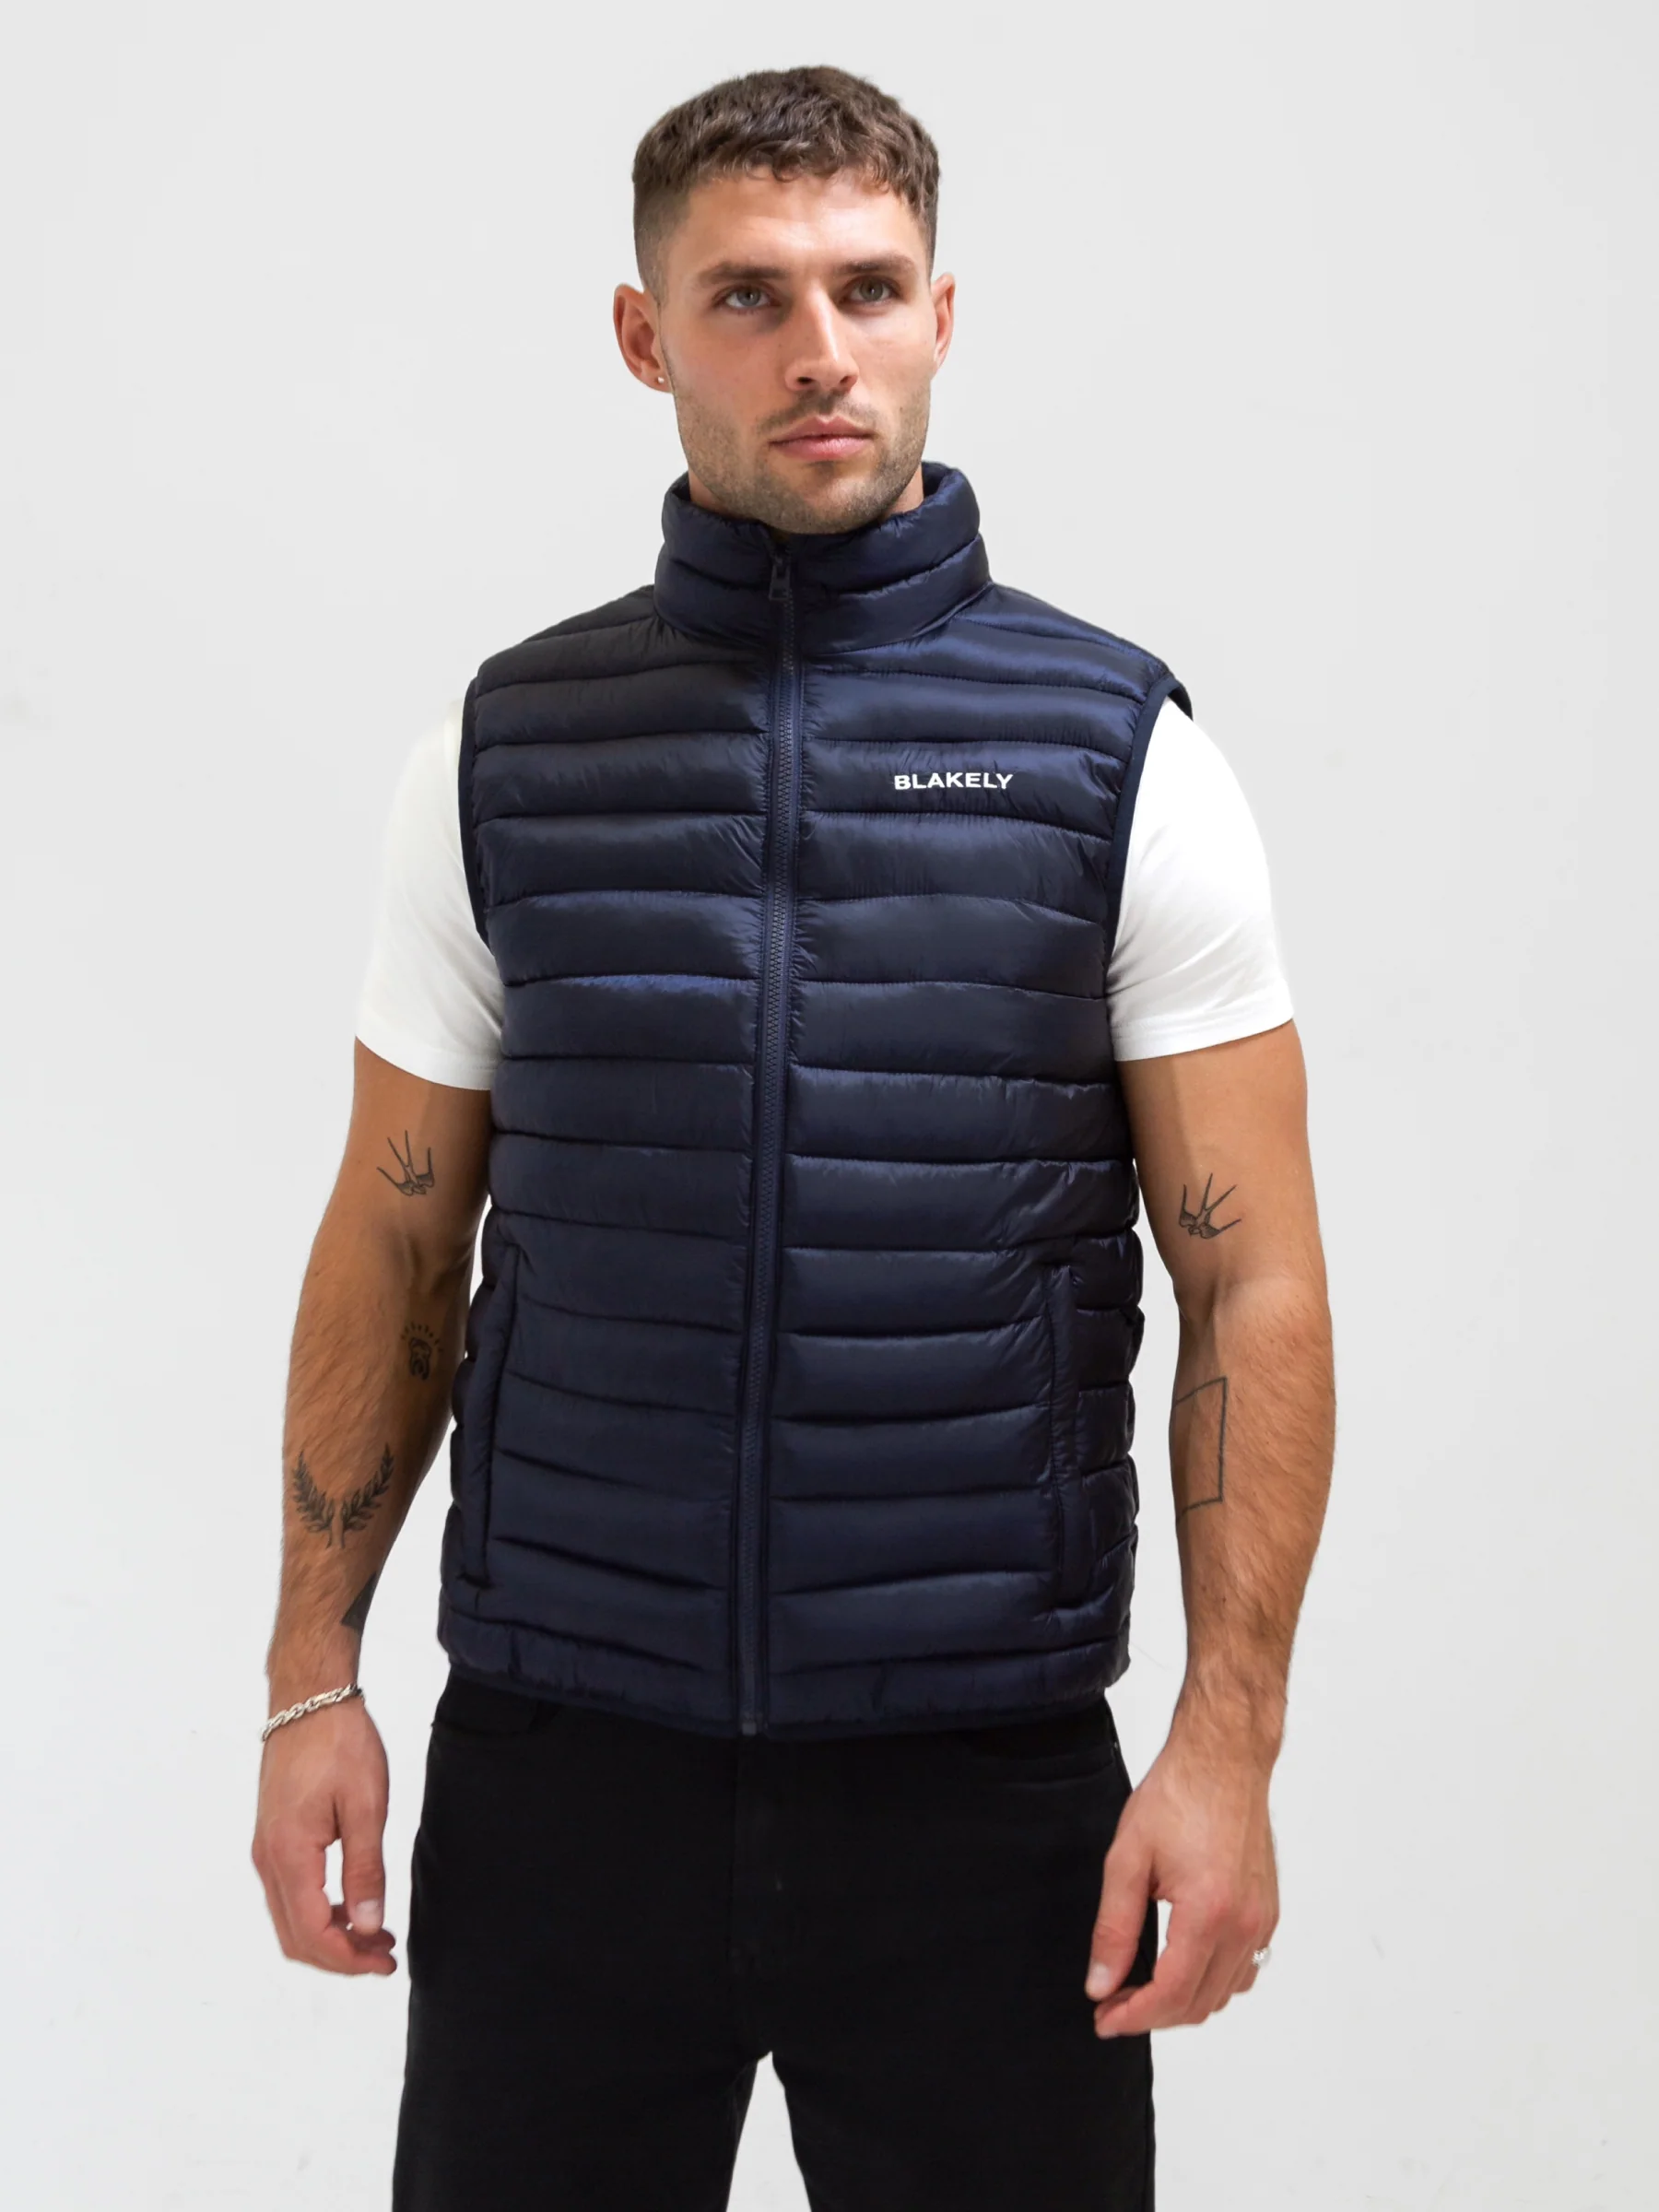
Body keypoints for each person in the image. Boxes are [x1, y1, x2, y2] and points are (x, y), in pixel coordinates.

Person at [251, 62, 1335, 2212]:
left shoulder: (1118, 755)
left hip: (979, 1786)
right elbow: (394, 1236)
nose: (819, 348)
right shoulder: (503, 752)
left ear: (944, 313)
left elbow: (1256, 1280)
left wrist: (1227, 1749)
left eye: (868, 287)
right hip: (568, 1772)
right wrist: (309, 1687)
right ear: (644, 336)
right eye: (748, 295)